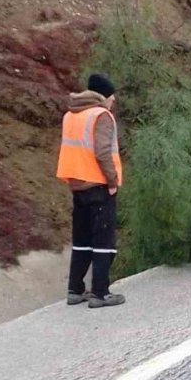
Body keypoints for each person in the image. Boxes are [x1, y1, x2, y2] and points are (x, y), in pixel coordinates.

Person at [56, 73, 126, 308]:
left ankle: (75, 289)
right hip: (98, 184)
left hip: (77, 184)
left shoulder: (71, 115)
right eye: (111, 97)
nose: (113, 102)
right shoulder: (101, 116)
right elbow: (103, 152)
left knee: (82, 239)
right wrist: (113, 180)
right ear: (103, 96)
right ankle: (100, 293)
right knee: (104, 239)